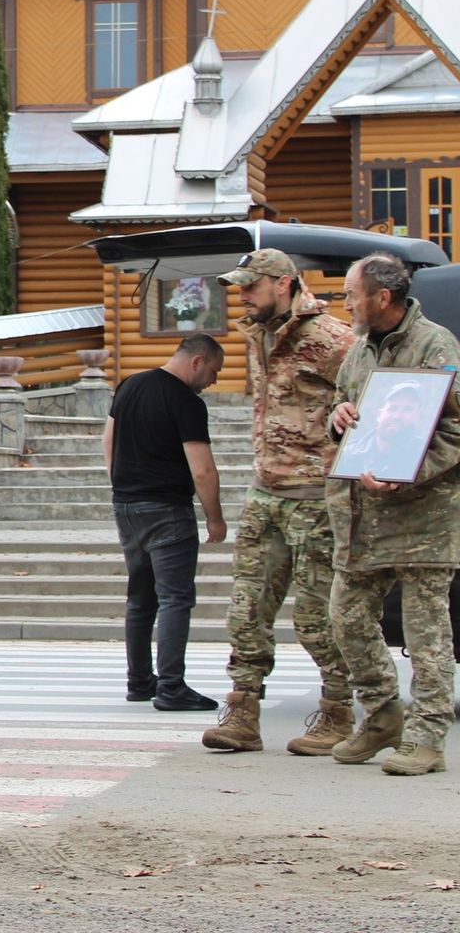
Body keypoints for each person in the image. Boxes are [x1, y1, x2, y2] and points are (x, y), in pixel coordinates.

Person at [201, 249, 356, 755]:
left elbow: (376, 400)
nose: (242, 295)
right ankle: (243, 713)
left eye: (252, 286)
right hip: (266, 492)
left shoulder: (332, 339)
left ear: (285, 284)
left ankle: (338, 713)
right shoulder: (260, 334)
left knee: (316, 616)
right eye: (241, 286)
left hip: (318, 497)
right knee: (246, 611)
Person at [324, 252, 460, 776]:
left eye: (350, 294)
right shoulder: (358, 351)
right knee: (346, 617)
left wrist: (410, 469)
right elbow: (342, 408)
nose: (346, 303)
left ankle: (426, 740)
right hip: (362, 516)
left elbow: (453, 430)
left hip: (422, 517)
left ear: (382, 298)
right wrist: (337, 419)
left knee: (427, 633)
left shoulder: (436, 345)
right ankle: (383, 715)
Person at [103, 333, 228, 712]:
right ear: (196, 361)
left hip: (127, 505)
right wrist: (215, 518)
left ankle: (140, 681)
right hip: (167, 509)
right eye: (213, 371)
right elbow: (202, 469)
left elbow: (108, 440)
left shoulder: (129, 385)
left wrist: (123, 485)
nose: (214, 380)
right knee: (175, 598)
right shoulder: (186, 402)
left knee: (140, 597)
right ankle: (171, 686)